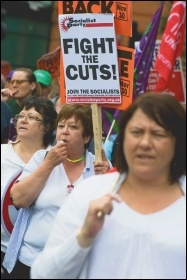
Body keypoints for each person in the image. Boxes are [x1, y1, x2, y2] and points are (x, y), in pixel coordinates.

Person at [30, 93, 186, 279]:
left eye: (158, 134)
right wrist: (84, 236)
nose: (145, 143)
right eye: (136, 132)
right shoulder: (89, 193)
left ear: (177, 142)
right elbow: (42, 275)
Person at [2, 104, 112, 279]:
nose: (64, 132)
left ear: (87, 137)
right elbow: (19, 199)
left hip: (74, 266)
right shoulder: (42, 158)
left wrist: (107, 178)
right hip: (30, 262)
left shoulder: (98, 166)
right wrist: (48, 165)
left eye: (73, 127)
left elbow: (112, 215)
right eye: (61, 126)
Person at [1, 97, 57, 274]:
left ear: (46, 126)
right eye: (21, 116)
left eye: (32, 117)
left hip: (36, 256)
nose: (23, 120)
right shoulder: (2, 154)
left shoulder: (57, 159)